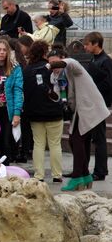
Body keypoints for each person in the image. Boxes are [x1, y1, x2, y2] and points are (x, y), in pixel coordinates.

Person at [47, 50, 110, 191]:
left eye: (55, 62)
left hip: (91, 107)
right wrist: (51, 94)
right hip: (79, 111)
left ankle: (77, 177)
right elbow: (59, 96)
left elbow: (68, 62)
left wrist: (50, 65)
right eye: (51, 63)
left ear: (62, 59)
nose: (54, 66)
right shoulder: (54, 76)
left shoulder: (73, 66)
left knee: (77, 139)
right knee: (74, 140)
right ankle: (85, 175)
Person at [22, 40, 64, 182]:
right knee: (55, 144)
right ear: (45, 52)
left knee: (38, 144)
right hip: (53, 111)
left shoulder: (26, 70)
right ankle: (57, 175)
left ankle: (39, 175)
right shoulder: (50, 67)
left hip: (34, 112)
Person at [83, 31, 112, 181]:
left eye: (87, 44)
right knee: (90, 138)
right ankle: (84, 168)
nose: (85, 47)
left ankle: (100, 171)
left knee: (99, 139)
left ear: (96, 44)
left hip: (99, 105)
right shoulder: (94, 60)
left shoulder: (105, 61)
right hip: (91, 104)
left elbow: (108, 84)